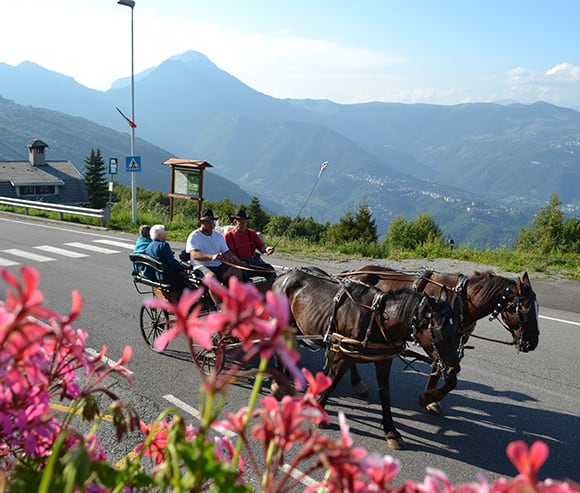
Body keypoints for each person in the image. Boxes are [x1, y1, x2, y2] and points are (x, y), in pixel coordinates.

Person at [185, 209, 244, 284]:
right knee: (212, 278)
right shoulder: (194, 236)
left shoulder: (218, 235)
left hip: (218, 266)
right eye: (208, 221)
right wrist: (212, 257)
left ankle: (237, 295)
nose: (211, 224)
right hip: (200, 266)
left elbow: (226, 252)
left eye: (212, 221)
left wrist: (238, 261)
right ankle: (217, 295)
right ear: (201, 222)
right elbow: (195, 255)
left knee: (237, 271)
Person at [224, 208, 277, 282]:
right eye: (241, 222)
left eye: (245, 222)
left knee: (270, 270)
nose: (243, 225)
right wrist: (238, 262)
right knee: (243, 277)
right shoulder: (228, 236)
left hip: (253, 262)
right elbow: (226, 253)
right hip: (238, 264)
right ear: (235, 222)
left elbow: (261, 247)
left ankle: (270, 289)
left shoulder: (251, 233)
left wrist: (267, 249)